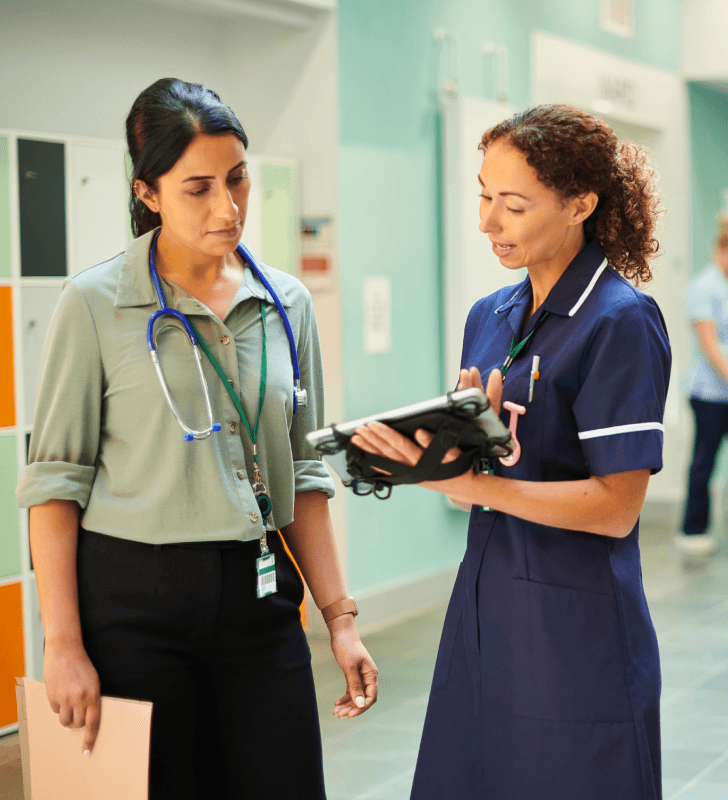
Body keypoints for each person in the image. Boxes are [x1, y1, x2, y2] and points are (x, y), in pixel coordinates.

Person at [16, 77, 377, 800]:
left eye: (238, 179)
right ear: (147, 192)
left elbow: (304, 472)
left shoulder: (286, 302)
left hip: (259, 591)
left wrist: (339, 619)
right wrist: (63, 644)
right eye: (199, 187)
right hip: (133, 604)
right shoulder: (95, 303)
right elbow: (54, 484)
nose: (229, 206)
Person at [352, 105, 669, 800]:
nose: (488, 222)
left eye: (513, 205)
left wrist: (463, 482)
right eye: (484, 197)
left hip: (574, 625)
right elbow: (487, 474)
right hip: (486, 606)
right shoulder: (489, 316)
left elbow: (617, 508)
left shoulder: (620, 321)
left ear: (581, 204)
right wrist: (447, 454)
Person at [679, 217, 728, 558]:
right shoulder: (703, 287)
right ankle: (694, 529)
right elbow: (711, 347)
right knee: (704, 461)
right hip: (709, 394)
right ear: (720, 251)